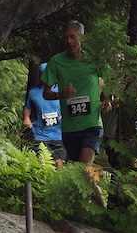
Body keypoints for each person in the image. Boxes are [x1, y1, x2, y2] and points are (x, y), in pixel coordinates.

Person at [41, 20, 108, 165]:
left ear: (81, 38)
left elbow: (111, 81)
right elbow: (46, 93)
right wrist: (60, 94)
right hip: (69, 127)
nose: (69, 41)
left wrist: (108, 99)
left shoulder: (94, 59)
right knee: (76, 171)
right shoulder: (56, 62)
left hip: (92, 124)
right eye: (66, 37)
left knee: (83, 167)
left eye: (73, 37)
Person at [23, 62, 66, 168]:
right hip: (40, 134)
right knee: (42, 162)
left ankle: (58, 179)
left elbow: (68, 104)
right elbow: (27, 107)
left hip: (58, 133)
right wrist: (27, 118)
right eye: (44, 75)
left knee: (58, 163)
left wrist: (65, 115)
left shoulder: (60, 90)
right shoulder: (33, 92)